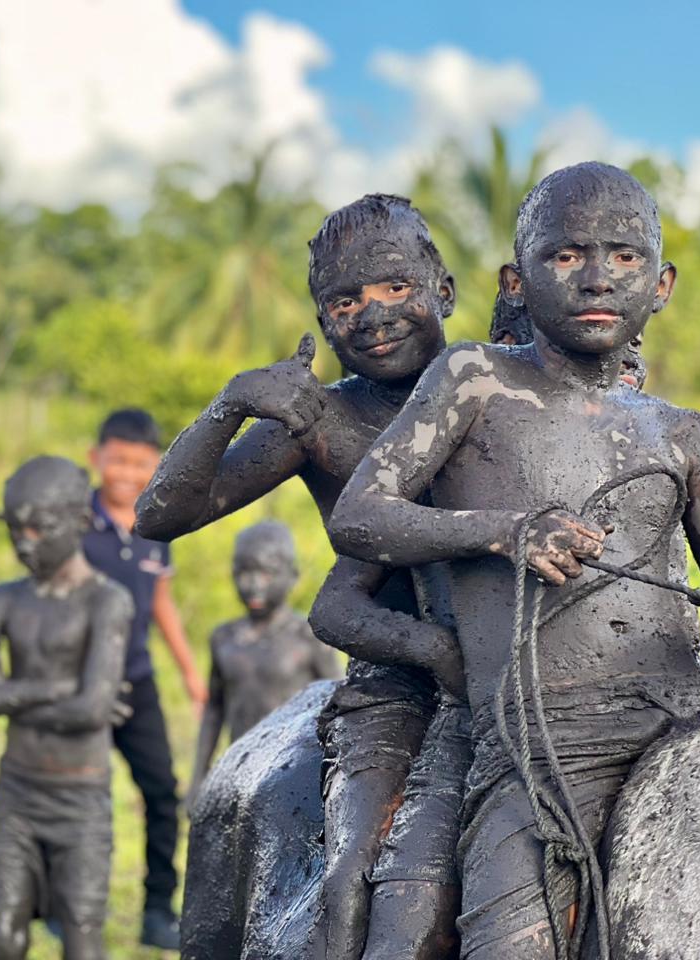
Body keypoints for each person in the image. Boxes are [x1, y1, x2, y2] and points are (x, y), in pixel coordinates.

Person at [329, 162, 700, 959]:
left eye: (625, 257)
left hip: (677, 725)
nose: (597, 278)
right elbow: (360, 516)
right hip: (540, 748)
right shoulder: (473, 380)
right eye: (567, 255)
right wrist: (505, 531)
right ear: (517, 281)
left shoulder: (688, 433)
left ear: (661, 286)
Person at [136, 194, 457, 960]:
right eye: (345, 302)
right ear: (323, 319)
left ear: (442, 290)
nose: (373, 315)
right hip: (395, 686)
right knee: (350, 881)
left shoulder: (489, 386)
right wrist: (232, 405)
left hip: (520, 664)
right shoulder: (321, 421)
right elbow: (160, 515)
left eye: (395, 287)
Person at [0, 456, 131, 960]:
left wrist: (8, 697)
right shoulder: (5, 599)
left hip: (80, 800)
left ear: (80, 521)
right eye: (14, 529)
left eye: (39, 529)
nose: (24, 542)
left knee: (81, 938)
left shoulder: (106, 602)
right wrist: (55, 689)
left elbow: (92, 711)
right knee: (3, 936)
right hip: (18, 795)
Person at [83, 407, 205, 949]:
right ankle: (62, 906)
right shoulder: (72, 524)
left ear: (156, 465)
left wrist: (189, 673)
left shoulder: (157, 523)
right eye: (118, 461)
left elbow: (161, 602)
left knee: (161, 793)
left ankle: (158, 911)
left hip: (136, 679)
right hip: (78, 685)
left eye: (140, 464)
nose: (128, 473)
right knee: (81, 794)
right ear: (96, 458)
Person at [188, 521, 341, 805]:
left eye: (267, 573)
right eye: (244, 573)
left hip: (294, 774)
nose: (254, 585)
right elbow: (214, 711)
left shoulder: (309, 637)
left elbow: (337, 707)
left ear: (292, 576)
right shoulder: (224, 639)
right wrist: (198, 779)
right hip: (238, 772)